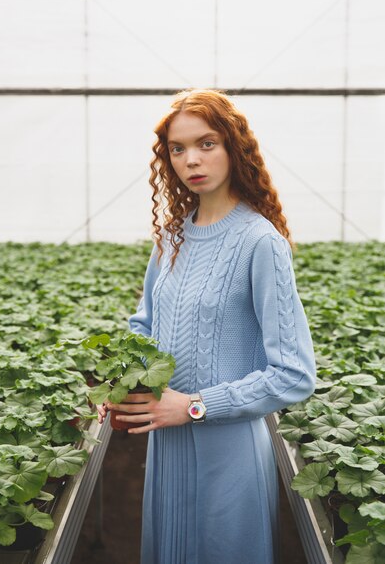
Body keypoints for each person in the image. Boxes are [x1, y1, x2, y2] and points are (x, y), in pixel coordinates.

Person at [97, 89, 316, 564]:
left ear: (234, 147)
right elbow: (145, 327)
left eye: (206, 143)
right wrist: (121, 383)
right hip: (167, 447)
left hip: (229, 453)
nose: (190, 159)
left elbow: (295, 374)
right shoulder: (171, 238)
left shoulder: (261, 242)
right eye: (177, 149)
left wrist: (194, 406)